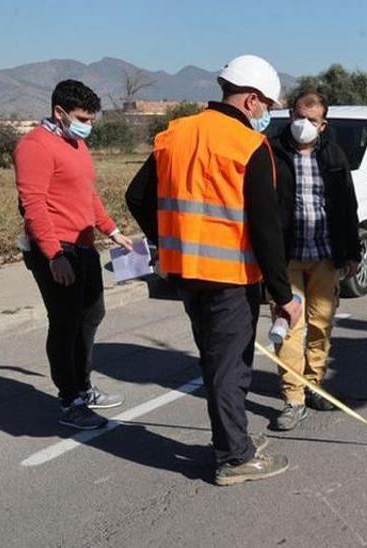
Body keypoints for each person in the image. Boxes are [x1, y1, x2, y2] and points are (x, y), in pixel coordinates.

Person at [125, 54, 298, 486]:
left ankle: (231, 439)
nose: (268, 116)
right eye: (269, 107)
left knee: (214, 362)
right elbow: (266, 229)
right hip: (230, 279)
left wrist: (166, 240)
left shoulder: (175, 134)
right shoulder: (249, 147)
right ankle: (234, 457)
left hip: (185, 273)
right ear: (252, 101)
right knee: (230, 368)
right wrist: (283, 295)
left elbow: (137, 196)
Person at [14, 79, 135, 430]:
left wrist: (112, 231)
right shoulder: (34, 146)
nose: (88, 125)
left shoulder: (76, 144)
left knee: (92, 314)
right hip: (57, 249)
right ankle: (70, 400)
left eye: (93, 119)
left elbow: (87, 195)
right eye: (83, 117)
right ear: (59, 112)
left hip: (83, 245)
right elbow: (33, 205)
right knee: (65, 324)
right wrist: (54, 255)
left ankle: (83, 385)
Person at [265, 90, 361, 431]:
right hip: (286, 258)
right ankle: (293, 399)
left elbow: (348, 205)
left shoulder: (333, 156)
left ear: (323, 125)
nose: (303, 125)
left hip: (324, 256)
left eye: (311, 120)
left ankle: (314, 383)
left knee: (321, 324)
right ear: (290, 115)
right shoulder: (271, 153)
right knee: (290, 328)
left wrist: (352, 252)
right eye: (298, 117)